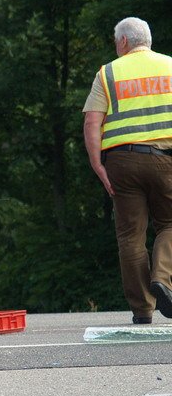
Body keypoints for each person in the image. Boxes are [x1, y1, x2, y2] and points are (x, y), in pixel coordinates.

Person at [83, 16, 172, 324]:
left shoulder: (108, 73)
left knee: (130, 237)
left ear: (123, 42)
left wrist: (97, 164)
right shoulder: (171, 67)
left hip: (121, 162)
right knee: (170, 224)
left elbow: (93, 121)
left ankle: (143, 309)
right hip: (166, 160)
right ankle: (163, 277)